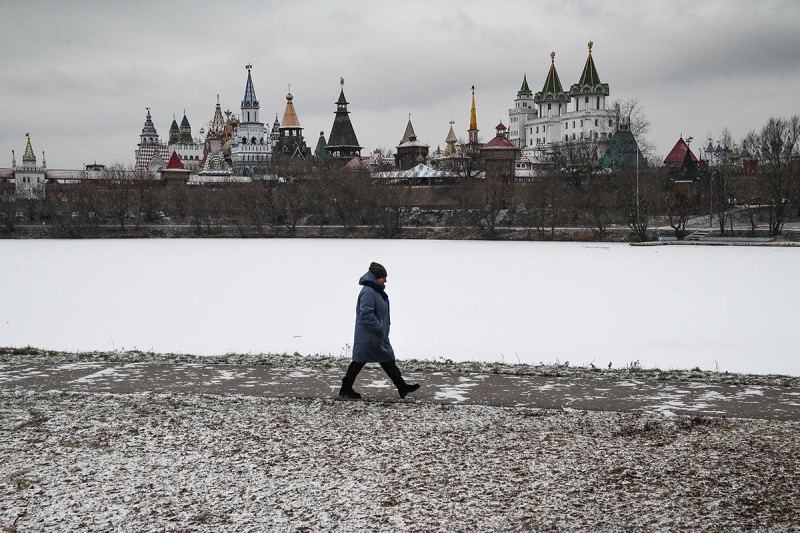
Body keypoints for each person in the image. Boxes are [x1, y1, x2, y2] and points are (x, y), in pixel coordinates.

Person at [339, 262, 420, 400]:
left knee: (385, 359)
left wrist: (381, 330)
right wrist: (378, 329)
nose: (386, 280)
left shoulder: (374, 290)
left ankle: (402, 387)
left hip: (376, 335)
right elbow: (366, 314)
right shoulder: (368, 292)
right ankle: (346, 388)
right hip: (370, 335)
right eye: (383, 277)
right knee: (361, 361)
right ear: (375, 277)